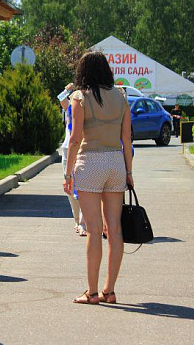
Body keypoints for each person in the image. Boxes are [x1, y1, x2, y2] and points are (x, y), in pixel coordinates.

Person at [63, 51, 133, 305]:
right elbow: (127, 138)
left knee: (93, 230)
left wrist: (68, 173)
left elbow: (75, 138)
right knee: (114, 229)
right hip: (116, 162)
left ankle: (91, 292)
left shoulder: (79, 97)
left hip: (90, 162)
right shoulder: (121, 96)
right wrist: (129, 172)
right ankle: (109, 290)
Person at [59, 83, 86, 236]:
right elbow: (61, 98)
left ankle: (83, 223)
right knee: (70, 188)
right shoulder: (70, 106)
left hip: (83, 148)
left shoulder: (87, 104)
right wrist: (67, 89)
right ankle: (77, 220)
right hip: (68, 148)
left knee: (83, 186)